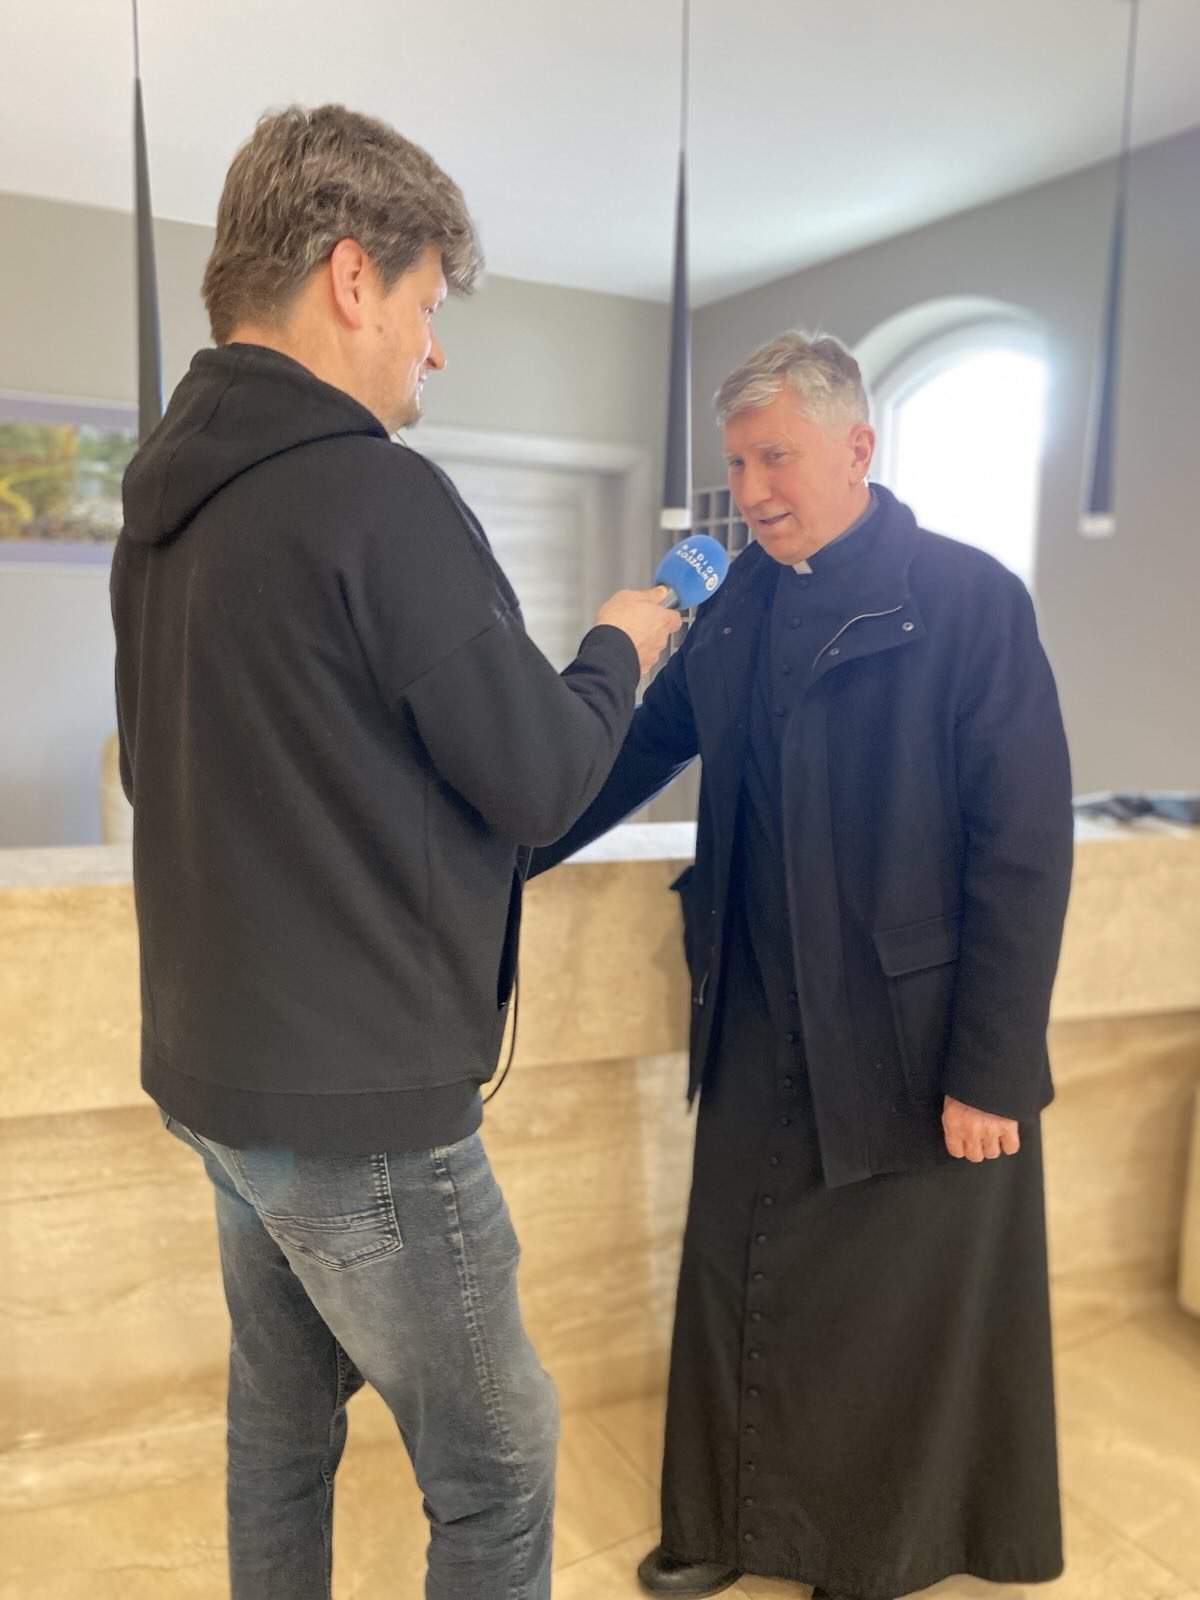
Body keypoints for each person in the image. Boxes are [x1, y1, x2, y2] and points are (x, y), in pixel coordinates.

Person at [110, 104, 680, 1600]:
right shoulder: (375, 494)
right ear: (352, 276)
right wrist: (620, 648)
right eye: (429, 308)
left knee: (280, 1429)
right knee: (498, 1466)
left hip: (223, 1080)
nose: (435, 352)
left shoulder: (163, 511)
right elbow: (540, 776)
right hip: (356, 1103)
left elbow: (236, 777)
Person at [529, 331, 1073, 1600]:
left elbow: (1024, 849)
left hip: (907, 1029)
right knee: (734, 1275)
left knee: (871, 1314)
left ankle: (858, 1555)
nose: (752, 490)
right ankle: (718, 1524)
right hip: (754, 1010)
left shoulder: (969, 600)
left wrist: (992, 1067)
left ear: (858, 447)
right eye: (737, 464)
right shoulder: (735, 609)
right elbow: (631, 753)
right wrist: (503, 842)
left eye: (775, 457)